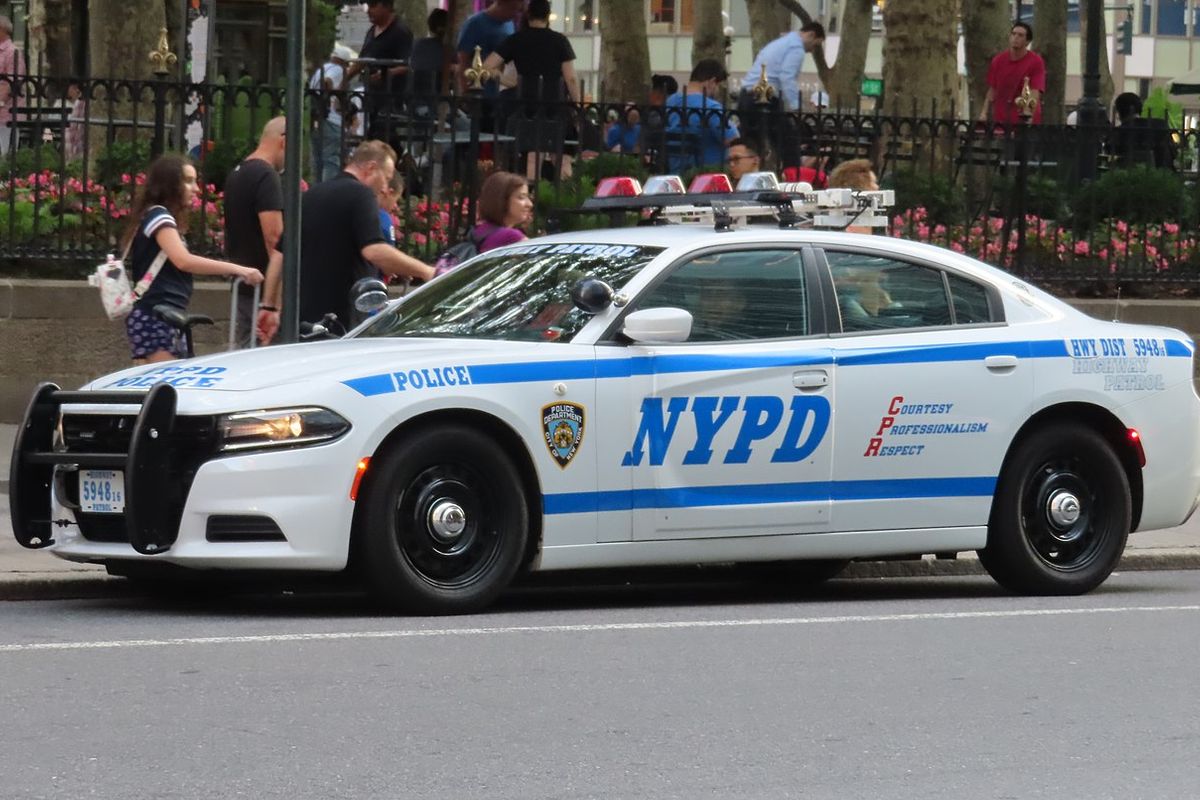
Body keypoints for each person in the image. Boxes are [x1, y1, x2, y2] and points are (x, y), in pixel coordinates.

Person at [121, 155, 263, 363]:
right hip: (157, 315)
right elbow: (183, 260)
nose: (196, 188)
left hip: (161, 315)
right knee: (166, 386)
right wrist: (239, 269)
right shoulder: (159, 217)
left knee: (161, 385)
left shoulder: (154, 216)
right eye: (188, 181)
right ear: (169, 185)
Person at [290, 140, 434, 333]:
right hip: (343, 318)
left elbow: (281, 255)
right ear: (371, 168)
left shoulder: (311, 195)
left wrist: (270, 307)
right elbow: (374, 251)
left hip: (304, 317)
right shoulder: (361, 194)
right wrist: (427, 271)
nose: (384, 188)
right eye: (386, 178)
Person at [223, 116, 286, 348]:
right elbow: (275, 239)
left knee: (243, 354)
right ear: (283, 141)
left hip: (244, 285)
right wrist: (277, 301)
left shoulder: (238, 172)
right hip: (262, 290)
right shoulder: (266, 176)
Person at [736, 22, 825, 160]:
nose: (812, 50)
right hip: (765, 98)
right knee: (789, 141)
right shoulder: (796, 49)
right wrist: (797, 106)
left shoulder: (779, 43)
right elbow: (787, 77)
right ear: (811, 35)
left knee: (752, 145)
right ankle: (792, 176)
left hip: (747, 96)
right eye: (815, 45)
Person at [344, 0, 414, 139]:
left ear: (387, 6)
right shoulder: (372, 31)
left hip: (392, 100)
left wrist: (388, 73)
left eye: (374, 5)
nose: (369, 10)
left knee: (384, 138)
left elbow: (410, 64)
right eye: (368, 6)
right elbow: (362, 60)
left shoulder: (400, 32)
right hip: (372, 98)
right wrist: (343, 78)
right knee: (373, 137)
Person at [665, 59, 739, 173]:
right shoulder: (710, 107)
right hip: (707, 174)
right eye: (718, 85)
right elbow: (733, 139)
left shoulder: (670, 101)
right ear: (712, 82)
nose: (717, 90)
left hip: (674, 172)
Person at [979, 21, 1045, 126]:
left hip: (1024, 120)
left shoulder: (1036, 62)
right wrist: (984, 112)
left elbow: (1035, 91)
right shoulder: (998, 60)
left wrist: (1028, 112)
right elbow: (992, 89)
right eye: (1013, 34)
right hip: (1001, 119)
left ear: (1027, 42)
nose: (1016, 37)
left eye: (1020, 35)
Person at [456, 0, 523, 98]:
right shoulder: (474, 24)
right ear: (500, 3)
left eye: (518, 10)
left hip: (501, 92)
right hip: (478, 91)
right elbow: (463, 61)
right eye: (512, 9)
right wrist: (465, 91)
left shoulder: (510, 25)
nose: (515, 14)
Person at [309, 44, 355, 183]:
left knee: (318, 161)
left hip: (318, 119)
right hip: (333, 121)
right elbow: (327, 81)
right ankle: (327, 191)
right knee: (331, 160)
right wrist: (329, 97)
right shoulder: (339, 70)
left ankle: (316, 192)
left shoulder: (321, 69)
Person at [1109, 91, 1174, 169]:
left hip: (1130, 177)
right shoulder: (1161, 126)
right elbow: (1173, 152)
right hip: (1161, 176)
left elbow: (1111, 152)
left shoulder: (1119, 132)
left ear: (1119, 112)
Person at [473, 171, 533, 252]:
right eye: (521, 197)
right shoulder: (511, 236)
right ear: (502, 200)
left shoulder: (480, 229)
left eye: (528, 197)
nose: (529, 204)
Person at [0, 15, 24, 158]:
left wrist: (1, 101)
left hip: (7, 113)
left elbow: (12, 81)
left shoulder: (12, 52)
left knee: (5, 154)